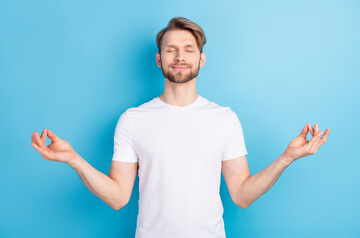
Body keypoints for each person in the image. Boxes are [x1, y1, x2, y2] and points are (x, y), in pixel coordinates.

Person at [31, 17, 330, 238]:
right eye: (171, 49)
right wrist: (74, 159)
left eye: (188, 49)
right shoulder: (133, 119)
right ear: (159, 59)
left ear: (201, 58)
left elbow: (241, 194)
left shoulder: (224, 118)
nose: (180, 56)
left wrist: (286, 158)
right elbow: (118, 197)